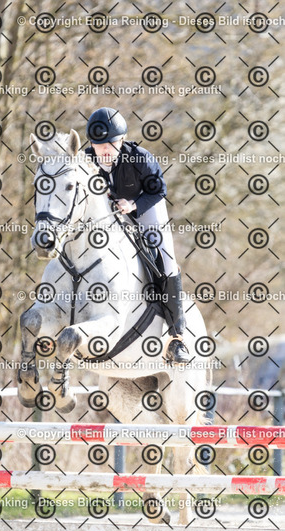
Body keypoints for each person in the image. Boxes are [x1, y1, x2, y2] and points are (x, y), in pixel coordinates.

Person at [85, 107, 190, 364]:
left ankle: (177, 338)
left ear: (122, 140)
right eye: (99, 145)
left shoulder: (140, 159)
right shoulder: (85, 160)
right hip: (107, 216)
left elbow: (159, 191)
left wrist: (133, 205)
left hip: (145, 208)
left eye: (110, 144)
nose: (105, 150)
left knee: (166, 260)